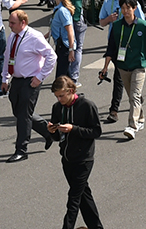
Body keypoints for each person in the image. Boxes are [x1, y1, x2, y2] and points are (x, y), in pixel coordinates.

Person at [45, 75, 104, 229]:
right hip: (67, 159)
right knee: (84, 196)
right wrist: (52, 131)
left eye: (61, 96)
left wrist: (74, 129)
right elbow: (58, 137)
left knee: (74, 198)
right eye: (57, 96)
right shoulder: (57, 108)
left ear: (71, 91)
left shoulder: (86, 105)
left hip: (84, 159)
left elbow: (96, 131)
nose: (59, 99)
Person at [99, 0, 146, 139]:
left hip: (139, 64)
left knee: (134, 95)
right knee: (133, 96)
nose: (125, 11)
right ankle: (141, 118)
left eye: (128, 8)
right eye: (123, 8)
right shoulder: (117, 26)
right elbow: (111, 48)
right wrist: (105, 67)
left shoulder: (143, 26)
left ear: (135, 8)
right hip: (122, 65)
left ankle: (132, 126)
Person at [3, 8, 57, 162]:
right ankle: (48, 132)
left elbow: (51, 57)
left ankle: (21, 150)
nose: (9, 25)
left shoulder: (34, 37)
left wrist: (40, 77)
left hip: (30, 81)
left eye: (13, 23)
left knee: (23, 116)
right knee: (19, 112)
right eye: (9, 22)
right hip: (17, 80)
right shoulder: (13, 36)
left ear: (23, 23)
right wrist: (4, 78)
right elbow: (7, 57)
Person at [95, 0, 144, 124]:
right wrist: (110, 19)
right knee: (120, 76)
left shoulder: (131, 2)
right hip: (115, 44)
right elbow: (102, 23)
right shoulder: (108, 2)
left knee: (122, 77)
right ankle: (116, 109)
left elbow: (142, 23)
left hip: (129, 46)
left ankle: (119, 107)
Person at [50, 0, 89, 83]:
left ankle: (65, 75)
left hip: (62, 19)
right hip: (77, 15)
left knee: (64, 48)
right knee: (77, 48)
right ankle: (74, 76)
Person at [49, 0, 77, 81]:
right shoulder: (58, 9)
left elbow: (70, 31)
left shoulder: (62, 11)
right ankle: (73, 92)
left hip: (64, 47)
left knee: (60, 78)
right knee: (67, 76)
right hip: (61, 45)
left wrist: (71, 50)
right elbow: (55, 27)